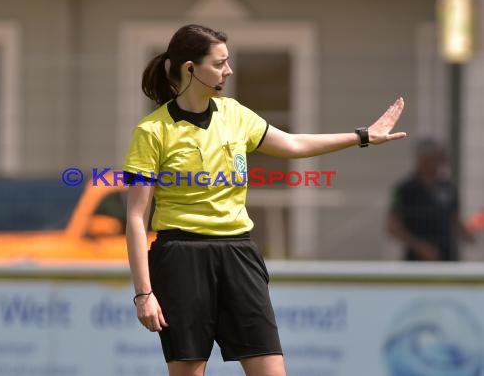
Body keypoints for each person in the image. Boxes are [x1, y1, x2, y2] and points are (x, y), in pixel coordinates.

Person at [123, 24, 406, 376]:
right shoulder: (152, 131)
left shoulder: (236, 114)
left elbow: (292, 144)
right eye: (220, 62)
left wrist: (363, 136)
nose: (228, 70)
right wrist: (143, 294)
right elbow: (136, 218)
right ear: (190, 68)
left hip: (239, 254)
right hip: (181, 258)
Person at [387, 138, 474, 261]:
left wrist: (467, 234)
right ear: (422, 160)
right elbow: (393, 227)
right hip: (416, 260)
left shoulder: (448, 187)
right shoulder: (404, 189)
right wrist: (420, 246)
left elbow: (454, 218)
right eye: (434, 158)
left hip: (447, 257)